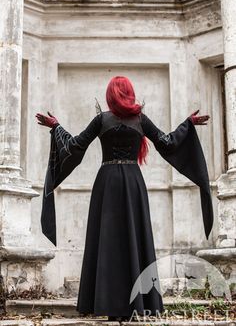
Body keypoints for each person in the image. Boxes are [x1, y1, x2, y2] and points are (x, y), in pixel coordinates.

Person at [35, 76, 213, 321]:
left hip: (107, 182)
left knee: (106, 239)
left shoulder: (102, 120)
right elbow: (168, 143)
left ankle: (107, 302)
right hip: (132, 182)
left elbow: (75, 146)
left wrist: (56, 126)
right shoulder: (140, 119)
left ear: (110, 95)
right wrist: (188, 124)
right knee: (132, 235)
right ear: (130, 93)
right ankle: (136, 303)